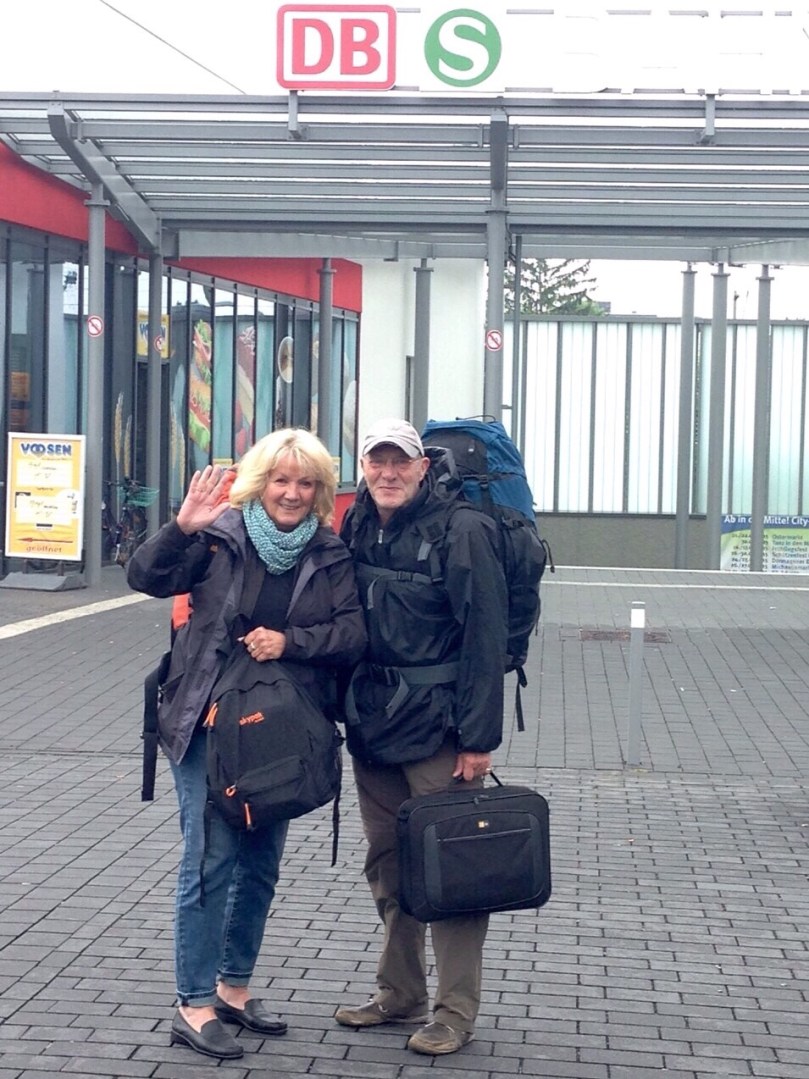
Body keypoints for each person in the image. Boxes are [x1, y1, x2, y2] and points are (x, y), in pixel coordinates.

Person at [127, 428, 366, 1061]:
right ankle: (193, 1003)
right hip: (206, 723)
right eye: (281, 480)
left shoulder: (328, 552)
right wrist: (180, 528)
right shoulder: (219, 536)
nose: (292, 492)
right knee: (210, 860)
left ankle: (233, 988)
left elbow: (351, 633)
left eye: (306, 482)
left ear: (319, 491)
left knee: (260, 864)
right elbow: (144, 577)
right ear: (261, 483)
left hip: (279, 730)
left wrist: (291, 643)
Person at [334, 418, 508, 1056]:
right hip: (374, 724)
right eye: (376, 461)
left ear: (423, 466)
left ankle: (455, 1011)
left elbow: (485, 636)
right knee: (388, 863)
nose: (388, 473)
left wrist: (477, 739)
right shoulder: (358, 522)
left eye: (400, 461)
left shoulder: (463, 530)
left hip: (439, 730)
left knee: (450, 869)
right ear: (363, 466)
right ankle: (399, 990)